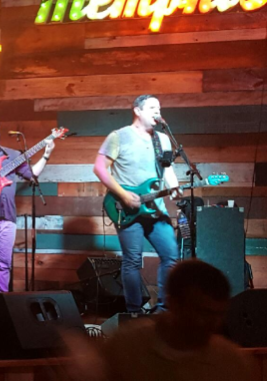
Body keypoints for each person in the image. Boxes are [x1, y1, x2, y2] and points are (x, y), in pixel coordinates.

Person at [93, 94, 180, 313]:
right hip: (127, 208)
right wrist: (123, 194)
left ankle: (163, 310)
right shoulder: (118, 136)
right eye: (152, 108)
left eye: (159, 108)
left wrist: (174, 186)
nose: (157, 112)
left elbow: (167, 168)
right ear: (137, 111)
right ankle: (134, 311)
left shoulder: (163, 139)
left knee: (171, 256)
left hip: (156, 209)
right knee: (132, 260)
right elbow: (100, 168)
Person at [103, 260, 254, 381]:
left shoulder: (232, 362)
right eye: (203, 312)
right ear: (173, 303)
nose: (214, 323)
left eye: (219, 314)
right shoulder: (124, 349)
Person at [0, 115, 54, 304]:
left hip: (7, 216)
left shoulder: (12, 155)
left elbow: (32, 174)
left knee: (4, 263)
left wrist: (46, 154)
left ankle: (1, 303)